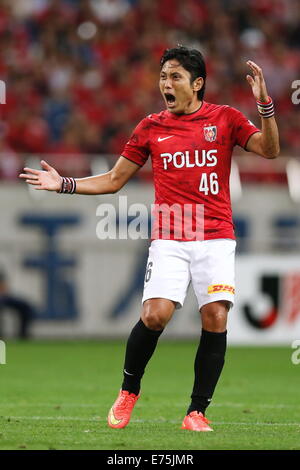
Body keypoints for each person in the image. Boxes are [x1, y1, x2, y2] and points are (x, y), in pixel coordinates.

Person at [19, 46, 280, 432]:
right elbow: (113, 180)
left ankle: (196, 412)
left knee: (216, 316)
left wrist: (265, 106)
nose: (166, 84)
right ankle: (128, 392)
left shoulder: (225, 119)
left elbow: (270, 150)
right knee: (155, 315)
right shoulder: (150, 127)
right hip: (171, 235)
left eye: (174, 77)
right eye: (163, 77)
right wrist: (65, 184)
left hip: (216, 236)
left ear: (197, 83)